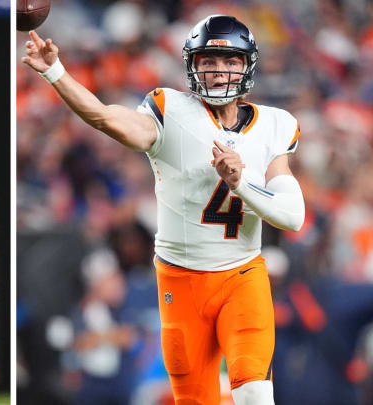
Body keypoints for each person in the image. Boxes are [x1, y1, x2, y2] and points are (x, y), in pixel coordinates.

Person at [22, 14, 305, 405]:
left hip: (242, 276)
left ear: (247, 65)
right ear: (192, 65)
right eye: (208, 60)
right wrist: (55, 71)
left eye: (230, 61)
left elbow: (291, 216)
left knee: (256, 393)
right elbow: (104, 117)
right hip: (181, 281)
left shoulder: (275, 124)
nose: (219, 71)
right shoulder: (169, 110)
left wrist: (240, 183)